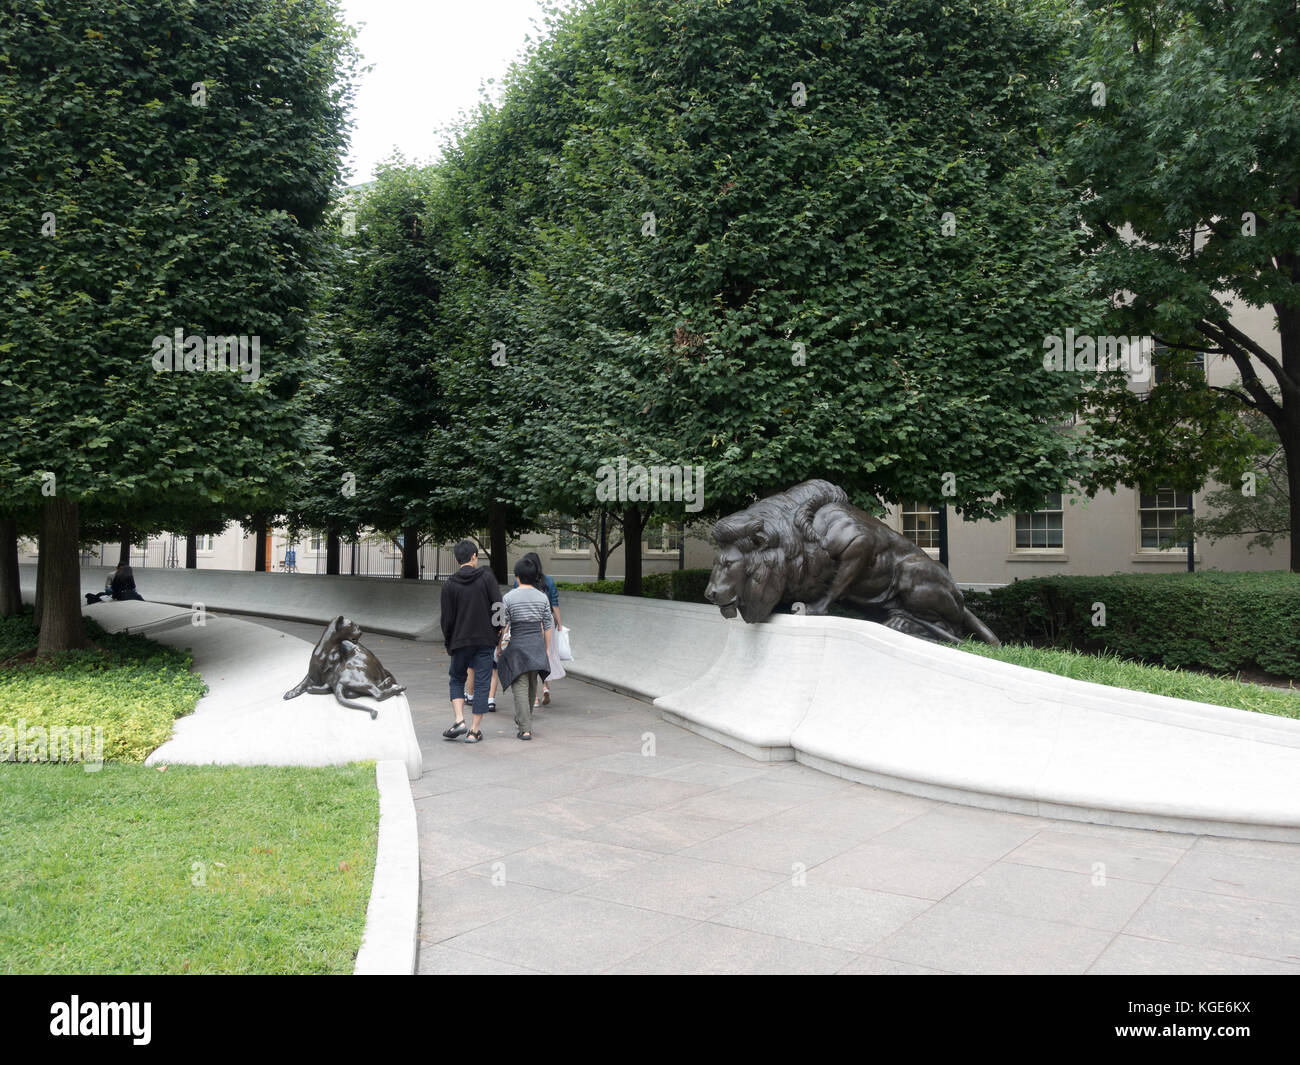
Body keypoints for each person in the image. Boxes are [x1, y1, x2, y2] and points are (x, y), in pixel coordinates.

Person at [439, 540, 503, 744]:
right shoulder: (487, 577)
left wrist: (449, 641)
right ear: (474, 556)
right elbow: (498, 606)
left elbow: (446, 619)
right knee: (483, 683)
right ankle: (474, 731)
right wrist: (497, 631)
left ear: (457, 559)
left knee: (457, 678)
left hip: (460, 640)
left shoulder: (449, 584)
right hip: (485, 640)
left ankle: (459, 720)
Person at [496, 556, 553, 741]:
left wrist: (498, 646)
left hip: (518, 645)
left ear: (518, 576)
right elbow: (547, 625)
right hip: (536, 644)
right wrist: (546, 649)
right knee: (532, 685)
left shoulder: (508, 597)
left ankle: (525, 728)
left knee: (519, 686)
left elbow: (501, 625)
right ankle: (524, 720)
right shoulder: (542, 597)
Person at [512, 551, 562, 708]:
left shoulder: (519, 581)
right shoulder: (548, 581)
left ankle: (532, 698)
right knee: (545, 656)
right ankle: (545, 686)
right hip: (546, 624)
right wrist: (559, 623)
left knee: (529, 658)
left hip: (527, 625)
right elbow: (554, 604)